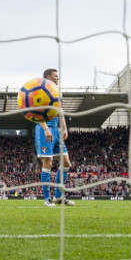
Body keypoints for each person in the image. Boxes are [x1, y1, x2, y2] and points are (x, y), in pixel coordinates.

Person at [35, 68, 74, 207]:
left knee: (66, 162)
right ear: (48, 77)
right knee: (48, 164)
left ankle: (58, 197)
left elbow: (60, 111)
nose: (58, 78)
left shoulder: (57, 91)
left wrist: (64, 127)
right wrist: (46, 129)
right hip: (43, 129)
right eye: (56, 76)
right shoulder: (40, 91)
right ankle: (47, 199)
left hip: (56, 130)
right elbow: (36, 113)